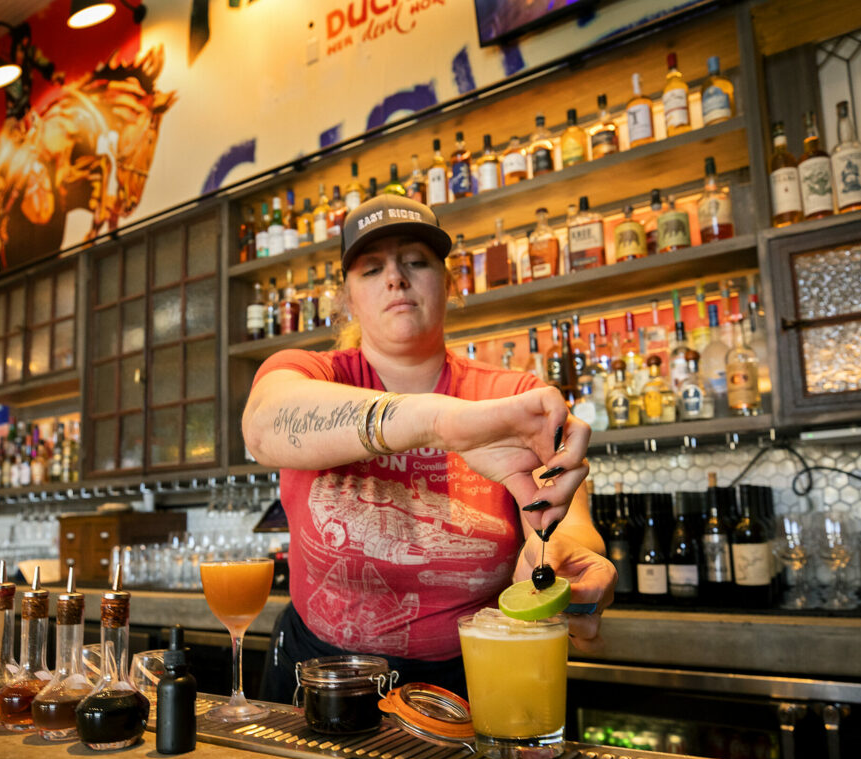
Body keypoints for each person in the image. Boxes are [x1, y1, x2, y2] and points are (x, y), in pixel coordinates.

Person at [243, 194, 616, 702]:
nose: (395, 278)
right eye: (372, 269)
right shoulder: (314, 374)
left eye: (416, 262)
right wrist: (441, 421)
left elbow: (565, 520)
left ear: (451, 283)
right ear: (347, 300)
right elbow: (264, 426)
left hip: (469, 679)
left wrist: (565, 556)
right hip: (318, 671)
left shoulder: (511, 397)